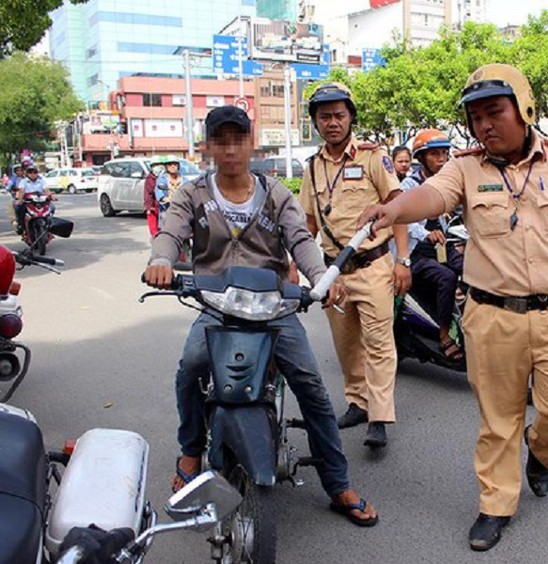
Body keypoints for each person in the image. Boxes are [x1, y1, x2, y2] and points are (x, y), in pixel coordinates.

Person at [358, 64, 548, 551]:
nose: (484, 126)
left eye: (494, 112)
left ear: (524, 107)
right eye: (475, 118)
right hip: (491, 315)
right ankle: (495, 504)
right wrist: (394, 210)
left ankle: (542, 452)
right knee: (499, 419)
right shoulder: (465, 167)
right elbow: (431, 195)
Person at [143, 105, 379, 526]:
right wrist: (161, 260)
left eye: (239, 139)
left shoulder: (275, 194)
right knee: (190, 369)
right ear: (209, 147)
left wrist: (323, 277)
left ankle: (336, 481)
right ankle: (191, 449)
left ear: (251, 144)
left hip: (273, 309)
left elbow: (301, 240)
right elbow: (169, 233)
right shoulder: (192, 194)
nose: (231, 149)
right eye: (222, 141)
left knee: (312, 388)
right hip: (216, 307)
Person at [297, 83, 411, 449]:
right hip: (334, 274)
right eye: (324, 116)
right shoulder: (313, 168)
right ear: (315, 122)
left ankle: (379, 416)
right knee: (347, 346)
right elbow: (309, 223)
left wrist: (403, 260)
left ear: (351, 118)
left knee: (379, 343)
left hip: (374, 266)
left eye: (339, 115)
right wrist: (291, 262)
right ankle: (358, 403)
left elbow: (399, 207)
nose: (332, 123)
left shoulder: (373, 158)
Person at [401, 128, 464, 363]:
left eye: (444, 154)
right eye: (435, 154)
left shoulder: (448, 183)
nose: (441, 160)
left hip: (441, 246)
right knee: (446, 277)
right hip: (414, 251)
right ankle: (445, 334)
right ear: (421, 159)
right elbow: (403, 221)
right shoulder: (409, 185)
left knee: (475, 270)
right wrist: (427, 234)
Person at [16, 165, 54, 235]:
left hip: (41, 201)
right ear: (27, 173)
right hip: (29, 202)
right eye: (30, 172)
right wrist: (19, 199)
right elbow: (21, 190)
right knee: (19, 208)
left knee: (52, 207)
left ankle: (50, 224)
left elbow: (46, 190)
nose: (33, 174)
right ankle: (20, 225)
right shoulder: (23, 181)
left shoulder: (41, 181)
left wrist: (51, 196)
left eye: (35, 172)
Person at [154, 155, 183, 228]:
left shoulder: (184, 179)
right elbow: (159, 192)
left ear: (178, 166)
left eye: (175, 164)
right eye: (170, 164)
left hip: (182, 209)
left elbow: (190, 191)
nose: (173, 166)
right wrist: (166, 199)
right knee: (166, 225)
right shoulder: (162, 179)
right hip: (168, 208)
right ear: (166, 167)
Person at [143, 157, 163, 237]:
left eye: (159, 165)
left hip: (165, 205)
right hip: (154, 206)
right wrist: (148, 207)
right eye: (155, 165)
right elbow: (148, 194)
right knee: (154, 228)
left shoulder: (165, 177)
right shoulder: (150, 178)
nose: (158, 167)